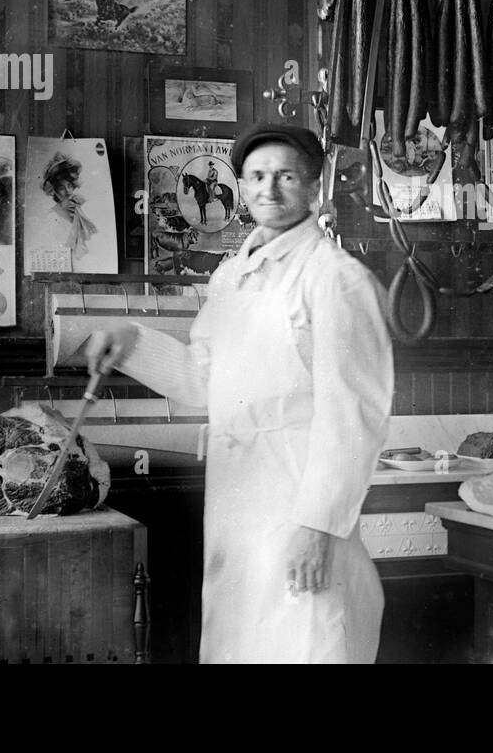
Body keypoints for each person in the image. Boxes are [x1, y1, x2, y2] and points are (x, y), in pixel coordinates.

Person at [86, 123, 393, 664]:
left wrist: (317, 528)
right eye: (256, 176)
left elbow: (354, 418)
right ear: (242, 187)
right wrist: (130, 340)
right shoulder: (233, 276)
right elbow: (203, 381)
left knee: (309, 644)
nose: (269, 189)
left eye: (286, 176)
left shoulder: (336, 279)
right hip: (239, 507)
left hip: (302, 506)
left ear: (314, 187)